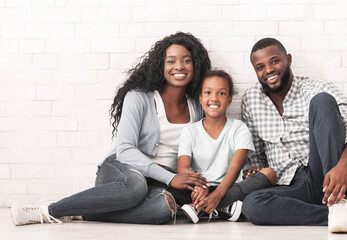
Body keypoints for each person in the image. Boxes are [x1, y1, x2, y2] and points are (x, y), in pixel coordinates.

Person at [11, 32, 212, 225]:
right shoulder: (139, 97)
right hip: (122, 171)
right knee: (136, 186)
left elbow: (201, 149)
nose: (179, 66)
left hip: (162, 181)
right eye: (171, 61)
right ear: (160, 65)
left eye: (187, 60)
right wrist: (170, 177)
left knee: (163, 207)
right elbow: (125, 150)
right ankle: (48, 210)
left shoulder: (197, 105)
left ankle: (86, 211)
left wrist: (198, 185)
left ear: (196, 65)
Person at [240, 37, 347, 233]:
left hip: (330, 174)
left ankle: (339, 203)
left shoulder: (315, 87)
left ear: (288, 60)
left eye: (274, 61)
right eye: (260, 67)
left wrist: (345, 166)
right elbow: (257, 155)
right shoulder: (251, 100)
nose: (268, 70)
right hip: (290, 186)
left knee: (323, 102)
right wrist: (255, 171)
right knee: (251, 205)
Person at [175, 70, 277, 223]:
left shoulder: (239, 128)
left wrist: (218, 195)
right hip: (199, 189)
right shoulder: (189, 131)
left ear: (229, 100)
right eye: (208, 92)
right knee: (166, 179)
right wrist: (199, 185)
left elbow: (235, 168)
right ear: (201, 98)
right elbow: (182, 168)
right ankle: (223, 208)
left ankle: (203, 207)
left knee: (269, 173)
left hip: (229, 188)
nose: (214, 98)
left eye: (221, 94)